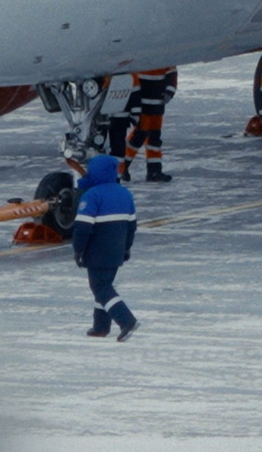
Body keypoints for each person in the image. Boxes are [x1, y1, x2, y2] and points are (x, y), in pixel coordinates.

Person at [69, 154, 139, 340]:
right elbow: (132, 226)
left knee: (100, 287)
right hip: (117, 249)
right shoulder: (125, 193)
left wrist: (78, 250)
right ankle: (100, 326)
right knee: (105, 285)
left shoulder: (92, 195)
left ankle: (126, 320)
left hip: (97, 250)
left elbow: (83, 227)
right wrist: (126, 248)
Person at [123, 67, 177, 183]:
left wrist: (169, 92)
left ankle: (154, 170)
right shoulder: (144, 56)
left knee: (154, 137)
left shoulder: (164, 57)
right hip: (143, 103)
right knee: (139, 135)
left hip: (157, 103)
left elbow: (172, 74)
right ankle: (123, 166)